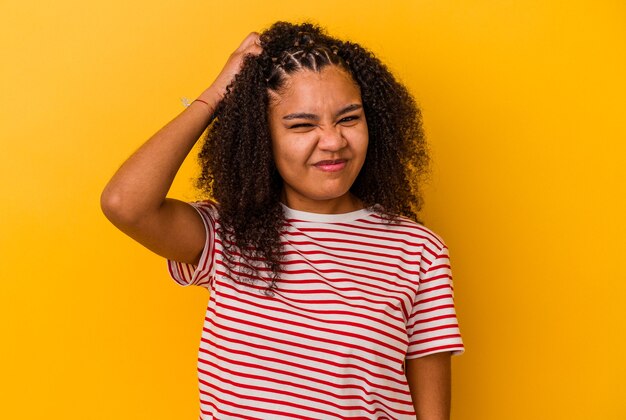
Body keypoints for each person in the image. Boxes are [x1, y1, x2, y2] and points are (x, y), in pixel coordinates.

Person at [101, 21, 464, 420]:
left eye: (348, 119)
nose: (333, 141)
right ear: (261, 135)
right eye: (302, 125)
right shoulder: (228, 234)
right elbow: (125, 204)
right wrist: (217, 94)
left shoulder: (416, 250)